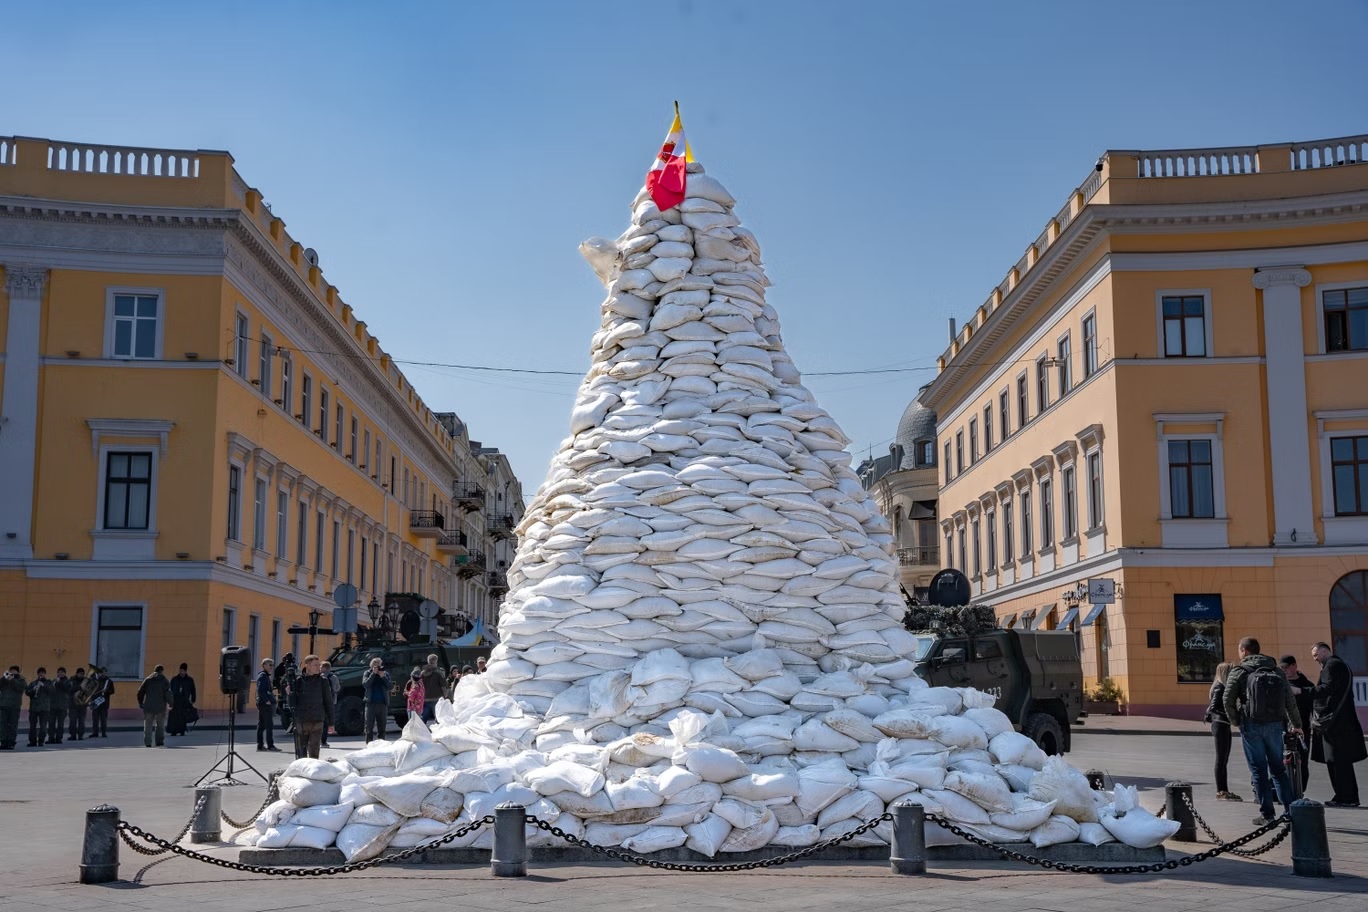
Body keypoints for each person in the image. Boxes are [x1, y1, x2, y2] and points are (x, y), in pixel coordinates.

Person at [1224, 636, 1302, 825]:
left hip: (1251, 724)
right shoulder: (1276, 670)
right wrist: (1297, 724)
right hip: (1275, 724)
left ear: (1244, 650)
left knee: (1259, 771)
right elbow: (1289, 699)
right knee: (1279, 770)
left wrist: (1236, 721)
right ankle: (1290, 812)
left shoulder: (1239, 671)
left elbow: (1227, 699)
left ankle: (1267, 815)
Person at [1310, 641, 1365, 807]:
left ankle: (1346, 797)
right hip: (1341, 722)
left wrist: (1306, 691)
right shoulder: (1339, 664)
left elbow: (1328, 688)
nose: (1315, 659)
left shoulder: (1332, 666)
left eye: (1316, 655)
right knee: (1338, 761)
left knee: (1338, 762)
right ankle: (1344, 796)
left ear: (1325, 651)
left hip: (1336, 724)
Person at [1204, 662, 1242, 800]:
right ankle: (1221, 791)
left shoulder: (1220, 686)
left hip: (1222, 724)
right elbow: (1214, 707)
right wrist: (1230, 715)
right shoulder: (1220, 687)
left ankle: (1223, 790)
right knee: (1221, 759)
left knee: (1223, 759)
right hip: (1220, 724)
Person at [1280, 655, 1314, 792]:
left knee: (1302, 762)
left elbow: (1314, 708)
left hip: (1302, 728)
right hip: (1283, 728)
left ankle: (1300, 791)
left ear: (1294, 666)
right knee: (1283, 761)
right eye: (1282, 668)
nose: (1284, 670)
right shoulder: (1280, 684)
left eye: (1286, 667)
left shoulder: (1307, 685)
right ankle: (1285, 791)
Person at [289, 655, 334, 759]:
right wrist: (290, 694)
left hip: (317, 721)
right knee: (301, 752)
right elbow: (292, 704)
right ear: (307, 666)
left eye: (319, 665)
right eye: (315, 665)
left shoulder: (323, 681)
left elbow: (328, 702)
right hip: (302, 721)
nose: (319, 667)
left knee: (314, 751)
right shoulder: (299, 681)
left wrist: (331, 723)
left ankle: (313, 769)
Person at [136, 664, 173, 748]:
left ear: (154, 670)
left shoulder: (148, 679)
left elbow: (140, 692)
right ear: (161, 671)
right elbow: (168, 693)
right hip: (160, 707)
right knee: (160, 725)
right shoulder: (164, 680)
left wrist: (140, 702)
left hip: (148, 706)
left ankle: (148, 742)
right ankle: (159, 741)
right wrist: (171, 703)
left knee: (148, 725)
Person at [362, 657, 391, 743]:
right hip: (370, 703)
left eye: (378, 665)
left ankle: (381, 744)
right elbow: (366, 684)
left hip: (382, 704)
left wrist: (383, 677)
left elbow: (390, 686)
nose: (377, 667)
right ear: (371, 666)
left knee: (382, 727)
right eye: (375, 665)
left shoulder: (385, 673)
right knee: (369, 726)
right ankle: (369, 744)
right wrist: (373, 674)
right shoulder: (367, 673)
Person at [255, 658, 279, 752]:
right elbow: (261, 690)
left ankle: (260, 745)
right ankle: (270, 745)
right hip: (264, 704)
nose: (271, 667)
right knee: (269, 725)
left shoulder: (265, 676)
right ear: (264, 665)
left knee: (261, 725)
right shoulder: (263, 676)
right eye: (269, 665)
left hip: (262, 703)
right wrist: (266, 700)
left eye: (272, 665)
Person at [167, 663, 197, 737]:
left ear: (185, 671)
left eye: (183, 671)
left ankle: (182, 731)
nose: (181, 672)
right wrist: (169, 700)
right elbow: (170, 690)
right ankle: (173, 731)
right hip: (175, 701)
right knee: (174, 717)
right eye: (180, 670)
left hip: (184, 701)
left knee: (182, 717)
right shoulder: (174, 679)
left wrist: (193, 699)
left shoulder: (189, 680)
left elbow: (193, 690)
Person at [0, 666, 26, 750]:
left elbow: (20, 688)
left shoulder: (21, 680)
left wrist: (12, 679)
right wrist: (4, 677)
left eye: (14, 670)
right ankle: (3, 742)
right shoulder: (5, 679)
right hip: (3, 705)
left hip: (14, 706)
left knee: (13, 725)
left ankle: (11, 743)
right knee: (3, 725)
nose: (12, 672)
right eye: (11, 670)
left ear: (17, 672)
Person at [25, 667, 52, 747]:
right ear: (37, 674)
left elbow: (52, 691)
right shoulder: (33, 683)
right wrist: (33, 689)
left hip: (44, 708)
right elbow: (27, 692)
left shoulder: (49, 682)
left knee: (43, 726)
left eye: (42, 673)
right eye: (39, 673)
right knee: (32, 726)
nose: (41, 674)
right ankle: (32, 741)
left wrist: (44, 686)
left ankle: (41, 740)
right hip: (34, 708)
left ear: (45, 674)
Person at [274, 653, 298, 735]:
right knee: (284, 707)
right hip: (285, 692)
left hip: (288, 692)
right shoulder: (283, 667)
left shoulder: (294, 667)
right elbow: (277, 679)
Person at [319, 661, 341, 747]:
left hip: (320, 702)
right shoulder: (334, 677)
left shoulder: (320, 677)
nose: (320, 668)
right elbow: (337, 688)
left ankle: (317, 740)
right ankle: (323, 741)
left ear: (324, 668)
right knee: (326, 722)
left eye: (321, 667)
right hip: (331, 701)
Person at [48, 667, 71, 745]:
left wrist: (59, 682)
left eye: (62, 672)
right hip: (53, 705)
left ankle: (59, 738)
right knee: (51, 723)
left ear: (65, 673)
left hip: (62, 706)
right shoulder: (54, 680)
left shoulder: (68, 681)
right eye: (59, 672)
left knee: (60, 724)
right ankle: (51, 738)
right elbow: (50, 690)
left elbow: (66, 688)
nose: (60, 673)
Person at [89, 669, 114, 738]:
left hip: (104, 703)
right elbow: (91, 691)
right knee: (95, 719)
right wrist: (91, 700)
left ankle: (103, 733)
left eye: (104, 672)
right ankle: (95, 733)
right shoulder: (95, 681)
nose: (103, 673)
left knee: (103, 719)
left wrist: (106, 691)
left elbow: (112, 691)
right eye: (101, 672)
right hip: (95, 702)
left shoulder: (109, 681)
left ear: (106, 673)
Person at [419, 654, 444, 721]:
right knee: (438, 717)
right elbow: (443, 686)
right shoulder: (439, 673)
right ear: (436, 661)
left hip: (425, 698)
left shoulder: (422, 673)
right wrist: (445, 695)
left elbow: (420, 686)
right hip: (436, 698)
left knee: (423, 717)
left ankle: (420, 727)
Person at [68, 667, 89, 741]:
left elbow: (89, 692)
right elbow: (70, 690)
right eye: (80, 673)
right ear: (76, 673)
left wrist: (86, 690)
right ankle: (73, 735)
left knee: (82, 721)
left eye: (83, 674)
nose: (82, 675)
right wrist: (79, 687)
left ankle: (81, 735)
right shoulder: (72, 680)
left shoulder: (86, 681)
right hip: (73, 704)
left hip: (82, 704)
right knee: (72, 721)